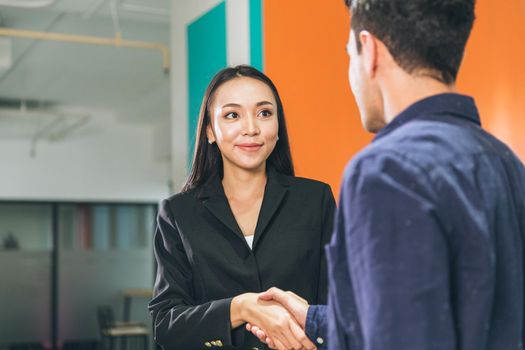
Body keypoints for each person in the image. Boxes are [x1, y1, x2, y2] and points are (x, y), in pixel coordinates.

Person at [246, 0, 525, 349]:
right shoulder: (507, 164)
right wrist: (316, 320)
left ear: (370, 50)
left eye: (349, 53)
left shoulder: (386, 171)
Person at [148, 65, 336, 350]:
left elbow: (340, 306)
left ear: (277, 125)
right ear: (211, 130)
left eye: (264, 113)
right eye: (232, 115)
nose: (251, 128)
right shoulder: (178, 213)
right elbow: (166, 326)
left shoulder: (316, 200)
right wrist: (240, 307)